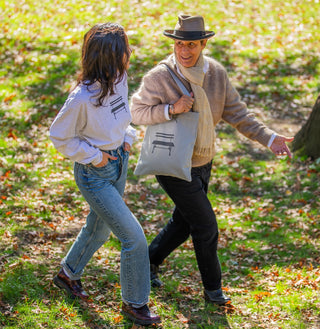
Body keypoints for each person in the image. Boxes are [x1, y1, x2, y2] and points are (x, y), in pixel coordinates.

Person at [130, 14, 293, 305]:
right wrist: (171, 109)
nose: (184, 51)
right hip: (173, 163)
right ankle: (213, 291)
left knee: (184, 221)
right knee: (205, 225)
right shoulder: (160, 77)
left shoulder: (215, 74)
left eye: (192, 44)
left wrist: (269, 138)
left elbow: (237, 113)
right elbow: (137, 112)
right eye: (180, 44)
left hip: (203, 160)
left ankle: (149, 261)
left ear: (203, 43)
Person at [49, 23, 161, 326]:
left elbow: (121, 114)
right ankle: (135, 304)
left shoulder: (120, 78)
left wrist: (127, 137)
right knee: (134, 238)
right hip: (93, 174)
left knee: (99, 229)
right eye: (126, 47)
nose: (130, 52)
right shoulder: (81, 98)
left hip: (118, 163)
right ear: (112, 55)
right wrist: (96, 156)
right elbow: (59, 136)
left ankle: (67, 274)